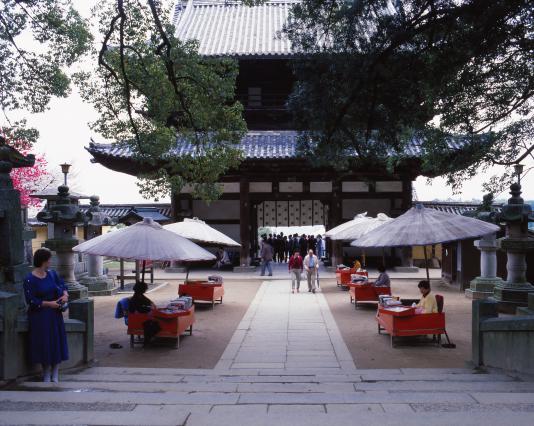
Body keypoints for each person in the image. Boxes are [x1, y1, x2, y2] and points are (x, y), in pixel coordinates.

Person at [23, 248, 69, 383]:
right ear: (43, 261)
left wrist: (65, 294)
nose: (50, 261)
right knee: (44, 344)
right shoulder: (30, 279)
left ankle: (55, 372)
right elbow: (31, 300)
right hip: (40, 316)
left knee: (56, 342)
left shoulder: (52, 274)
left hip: (55, 315)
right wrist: (49, 304)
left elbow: (62, 285)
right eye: (49, 259)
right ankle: (46, 373)